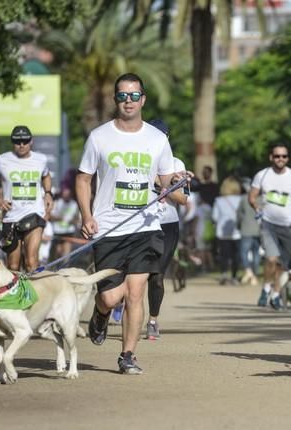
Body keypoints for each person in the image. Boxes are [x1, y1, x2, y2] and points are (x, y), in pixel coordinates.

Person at [76, 73, 177, 375]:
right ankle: (100, 312)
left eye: (134, 95)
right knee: (110, 296)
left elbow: (166, 178)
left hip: (145, 228)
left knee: (135, 293)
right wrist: (86, 215)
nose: (129, 101)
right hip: (108, 227)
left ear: (143, 99)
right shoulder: (99, 136)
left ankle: (128, 355)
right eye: (123, 96)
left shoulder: (158, 139)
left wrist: (178, 181)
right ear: (115, 99)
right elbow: (84, 178)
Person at [0, 125, 54, 272]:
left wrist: (48, 193)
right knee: (13, 266)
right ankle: (16, 294)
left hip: (34, 215)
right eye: (17, 141)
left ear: (31, 141)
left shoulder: (41, 159)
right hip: (11, 218)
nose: (21, 145)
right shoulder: (2, 160)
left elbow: (46, 176)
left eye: (25, 141)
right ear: (12, 142)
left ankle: (33, 294)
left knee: (31, 262)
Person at [145, 119, 188, 340]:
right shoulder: (138, 160)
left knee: (157, 276)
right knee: (129, 276)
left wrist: (161, 185)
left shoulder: (176, 164)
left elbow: (183, 199)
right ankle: (119, 303)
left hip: (167, 225)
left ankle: (152, 320)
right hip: (139, 224)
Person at [249, 144, 291, 310]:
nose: (280, 159)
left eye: (283, 156)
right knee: (271, 258)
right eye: (277, 156)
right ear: (271, 158)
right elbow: (252, 196)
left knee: (284, 264)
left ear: (288, 158)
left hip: (289, 225)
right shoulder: (263, 174)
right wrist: (256, 207)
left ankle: (275, 294)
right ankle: (266, 288)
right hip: (268, 224)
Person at [212, 177, 243, 285]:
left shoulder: (219, 200)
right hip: (237, 231)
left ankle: (224, 273)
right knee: (236, 255)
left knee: (224, 254)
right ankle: (234, 276)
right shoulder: (241, 199)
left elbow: (215, 216)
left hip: (222, 232)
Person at [237, 178, 261, 286]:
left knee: (243, 252)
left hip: (246, 229)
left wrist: (238, 225)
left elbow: (239, 215)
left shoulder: (243, 198)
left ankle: (248, 271)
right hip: (258, 229)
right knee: (256, 253)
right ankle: (254, 275)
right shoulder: (262, 199)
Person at [50, 187, 79, 260]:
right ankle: (57, 268)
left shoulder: (74, 204)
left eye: (68, 194)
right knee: (58, 252)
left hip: (69, 231)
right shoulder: (57, 203)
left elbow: (77, 219)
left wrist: (71, 221)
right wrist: (61, 218)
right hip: (58, 231)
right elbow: (50, 216)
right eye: (65, 194)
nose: (66, 196)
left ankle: (65, 267)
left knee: (66, 254)